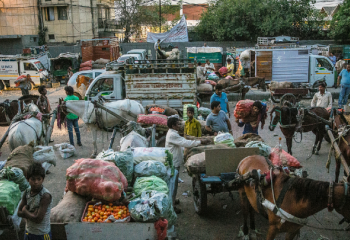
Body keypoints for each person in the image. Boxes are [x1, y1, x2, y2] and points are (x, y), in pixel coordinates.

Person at [165, 116, 203, 211]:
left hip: (174, 161)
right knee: (173, 185)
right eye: (177, 124)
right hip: (173, 163)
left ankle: (173, 200)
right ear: (173, 126)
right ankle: (172, 206)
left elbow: (181, 145)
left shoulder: (172, 133)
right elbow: (185, 143)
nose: (179, 126)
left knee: (174, 184)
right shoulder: (172, 135)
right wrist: (199, 142)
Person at [18, 163, 53, 240]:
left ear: (43, 179)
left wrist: (25, 210)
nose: (36, 182)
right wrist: (32, 214)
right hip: (28, 232)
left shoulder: (45, 196)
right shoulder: (27, 192)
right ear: (27, 179)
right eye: (33, 179)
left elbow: (38, 219)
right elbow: (19, 213)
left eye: (39, 179)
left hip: (42, 235)